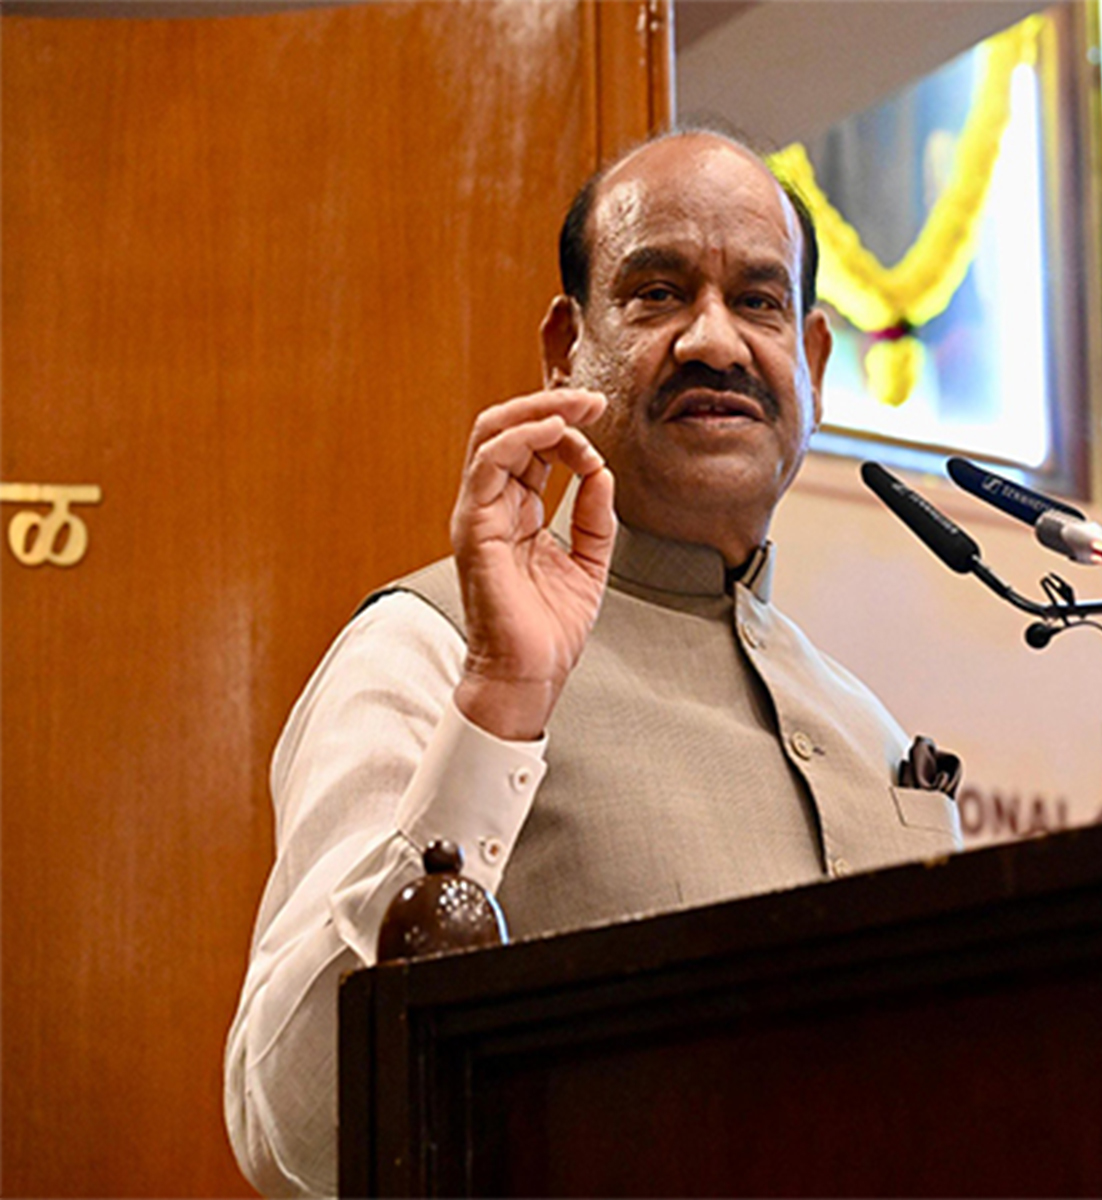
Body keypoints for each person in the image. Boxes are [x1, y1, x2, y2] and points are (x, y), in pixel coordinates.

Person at [224, 129, 961, 1196]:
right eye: (659, 293)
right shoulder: (431, 648)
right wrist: (500, 708)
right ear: (566, 348)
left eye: (757, 302)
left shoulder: (867, 726)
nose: (716, 341)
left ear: (812, 360)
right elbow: (292, 1127)